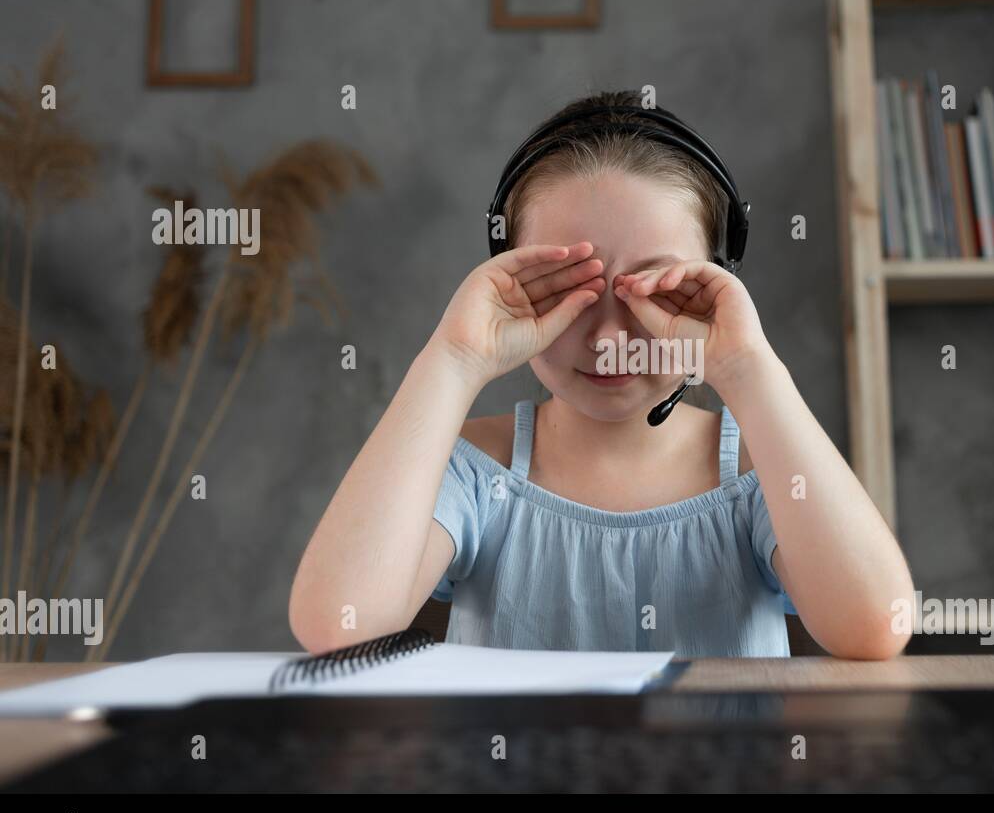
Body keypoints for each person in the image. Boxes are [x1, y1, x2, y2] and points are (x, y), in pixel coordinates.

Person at [289, 90, 913, 658]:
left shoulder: (762, 473)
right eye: (569, 290)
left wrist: (749, 369)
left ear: (722, 282)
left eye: (657, 289)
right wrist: (452, 360)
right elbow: (338, 626)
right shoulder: (478, 472)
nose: (611, 339)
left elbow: (874, 624)